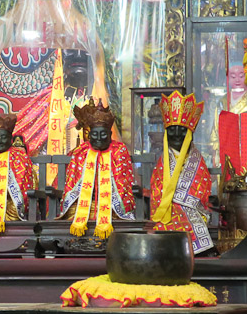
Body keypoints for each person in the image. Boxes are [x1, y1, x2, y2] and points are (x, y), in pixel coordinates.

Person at [59, 99, 135, 238]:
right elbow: (72, 181)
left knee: (114, 214)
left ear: (110, 135)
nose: (99, 138)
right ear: (88, 135)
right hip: (84, 202)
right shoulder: (81, 151)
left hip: (111, 203)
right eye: (94, 134)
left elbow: (123, 182)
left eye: (103, 134)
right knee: (73, 213)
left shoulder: (119, 150)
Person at [150, 91, 214, 254]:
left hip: (190, 213)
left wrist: (177, 201)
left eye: (182, 130)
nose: (177, 134)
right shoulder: (161, 163)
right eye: (172, 130)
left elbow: (202, 190)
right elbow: (156, 191)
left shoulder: (198, 162)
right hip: (165, 215)